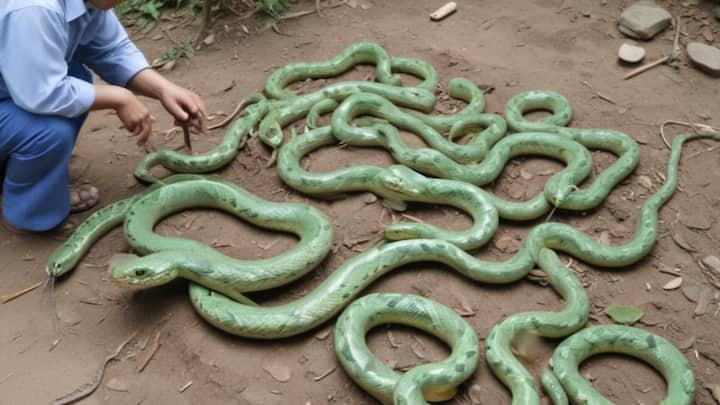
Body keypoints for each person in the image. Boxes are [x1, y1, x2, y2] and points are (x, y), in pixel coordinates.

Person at [0, 0, 207, 232]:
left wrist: (163, 89)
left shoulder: (88, 2)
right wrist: (121, 98)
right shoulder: (33, 8)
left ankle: (21, 172)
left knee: (77, 80)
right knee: (48, 130)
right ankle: (34, 212)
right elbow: (41, 93)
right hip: (22, 95)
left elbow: (111, 49)